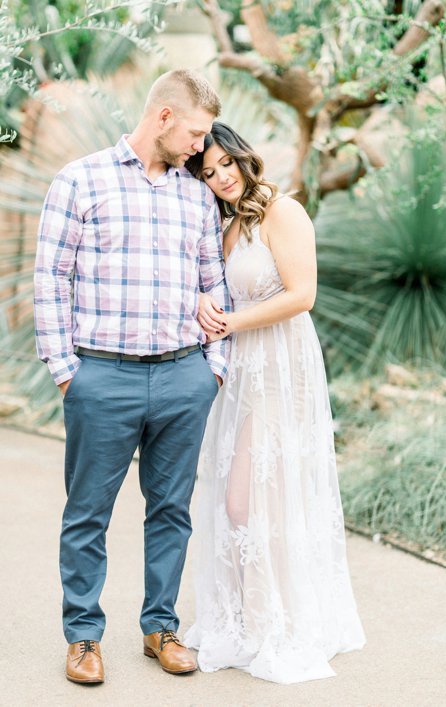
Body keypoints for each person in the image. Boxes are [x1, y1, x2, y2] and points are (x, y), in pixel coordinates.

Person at [33, 69, 229, 684]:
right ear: (164, 117)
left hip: (183, 378)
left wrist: (212, 371)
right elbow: (49, 280)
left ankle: (160, 628)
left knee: (171, 510)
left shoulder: (195, 195)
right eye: (196, 133)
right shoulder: (79, 180)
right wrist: (69, 373)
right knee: (88, 512)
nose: (202, 147)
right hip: (102, 379)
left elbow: (212, 281)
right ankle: (84, 637)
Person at [182, 122, 365, 684]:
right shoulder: (228, 224)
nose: (219, 179)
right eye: (208, 174)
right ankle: (245, 617)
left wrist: (231, 321)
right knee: (245, 496)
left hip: (282, 366)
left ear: (242, 156)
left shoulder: (282, 212)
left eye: (224, 165)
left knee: (253, 498)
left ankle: (272, 621)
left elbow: (302, 294)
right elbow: (217, 286)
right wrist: (202, 307)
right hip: (242, 369)